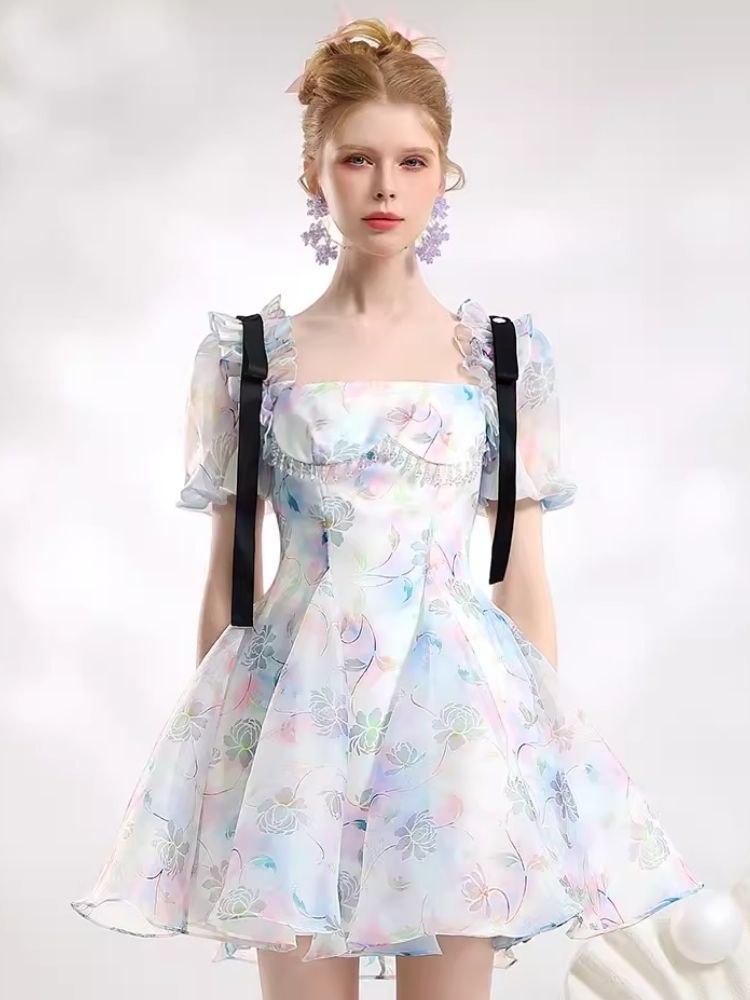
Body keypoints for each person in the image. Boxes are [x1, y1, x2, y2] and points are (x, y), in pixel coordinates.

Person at [70, 17, 704, 1000]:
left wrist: (541, 767)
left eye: (412, 161)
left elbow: (522, 580)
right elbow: (230, 582)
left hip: (457, 724)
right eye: (357, 159)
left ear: (444, 176)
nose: (385, 188)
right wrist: (217, 774)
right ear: (314, 173)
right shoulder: (248, 357)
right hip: (299, 719)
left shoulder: (502, 358)